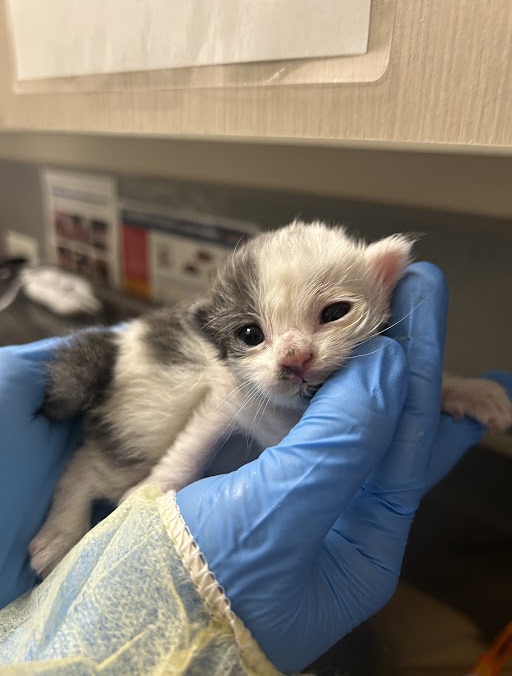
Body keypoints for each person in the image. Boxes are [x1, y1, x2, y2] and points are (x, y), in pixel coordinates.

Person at [0, 263, 510, 676]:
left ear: (383, 279)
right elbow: (218, 398)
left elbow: (401, 371)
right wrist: (162, 485)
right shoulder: (230, 365)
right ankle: (80, 486)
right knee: (142, 431)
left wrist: (449, 389)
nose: (293, 355)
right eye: (253, 332)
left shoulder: (370, 325)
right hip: (154, 389)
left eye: (332, 312)